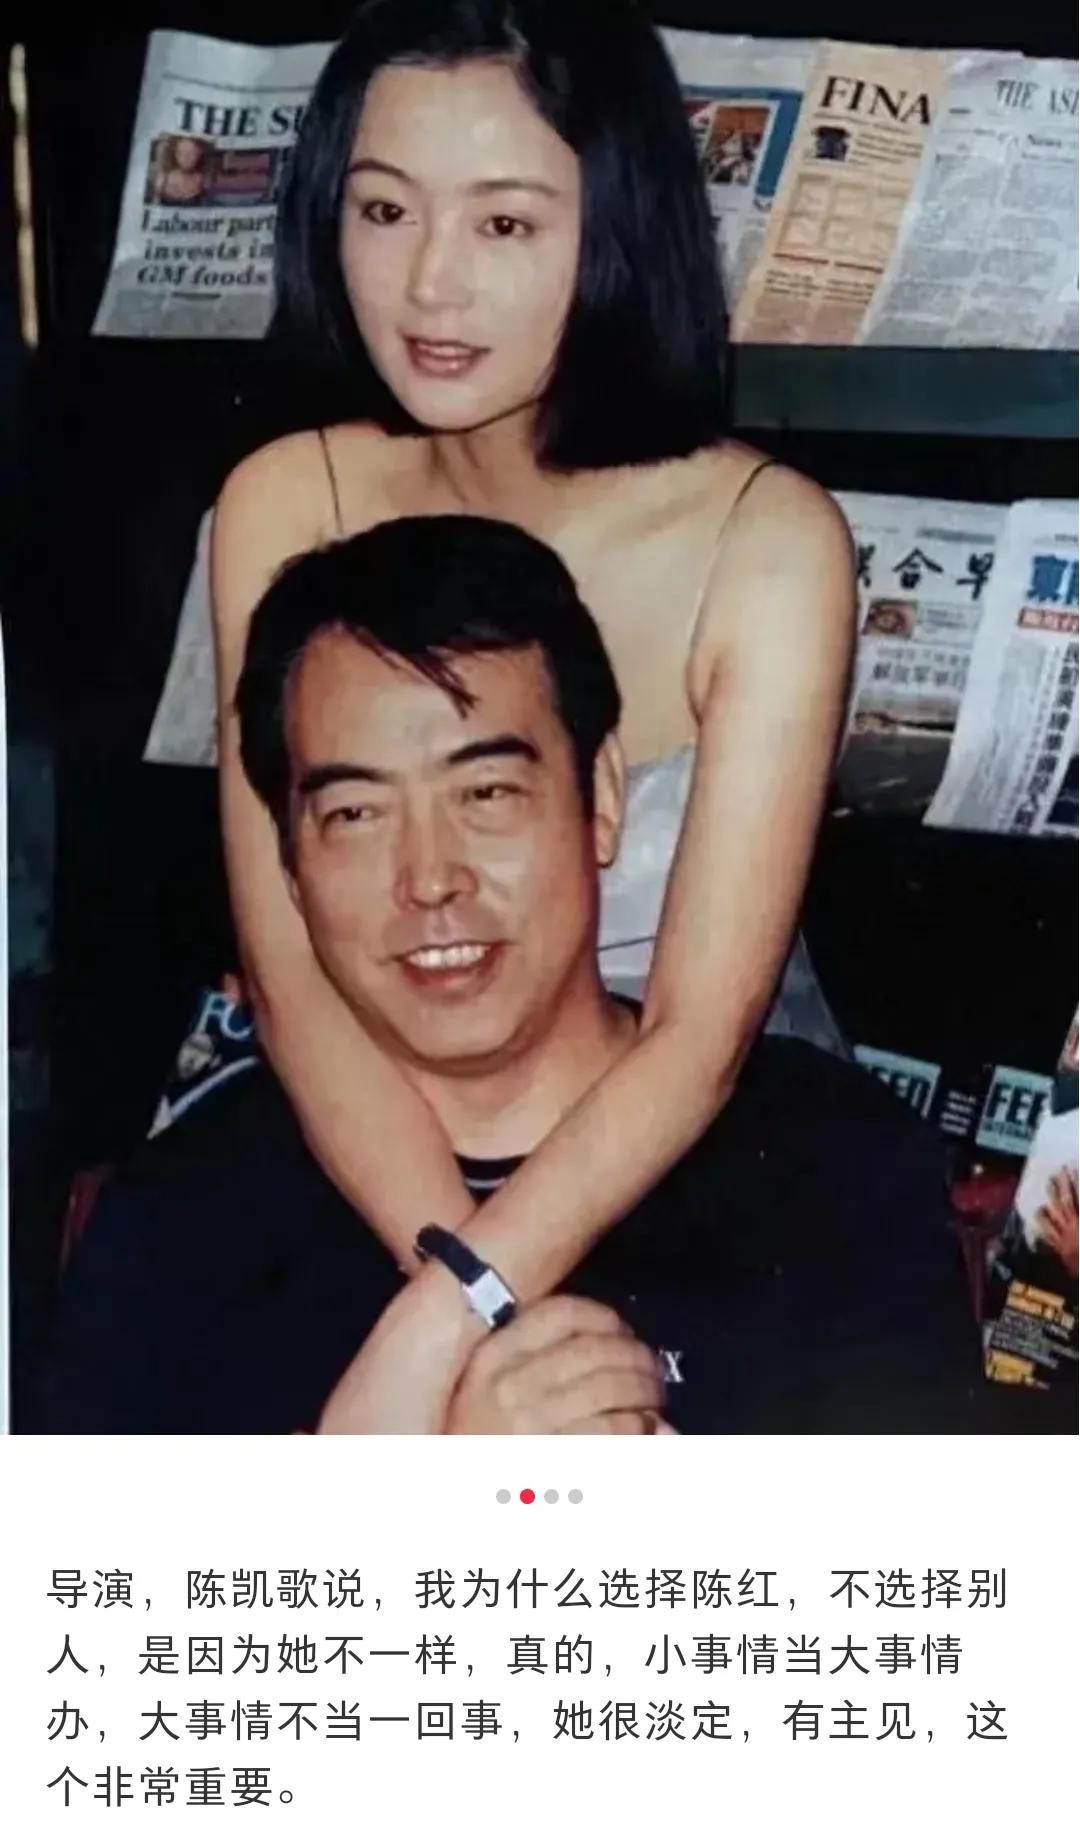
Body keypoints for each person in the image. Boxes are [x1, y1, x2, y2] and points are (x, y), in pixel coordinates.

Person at [211, 0, 858, 1432]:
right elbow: (290, 969)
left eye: (504, 223)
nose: (431, 284)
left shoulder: (769, 540)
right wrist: (450, 1313)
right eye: (384, 210)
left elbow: (698, 1033)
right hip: (375, 1113)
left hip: (686, 1124)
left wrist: (445, 1325)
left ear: (615, 226)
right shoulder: (285, 497)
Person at [34, 519, 977, 1435]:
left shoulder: (834, 1174)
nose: (430, 878)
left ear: (600, 799)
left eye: (485, 794)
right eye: (356, 814)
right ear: (288, 863)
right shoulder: (180, 1227)